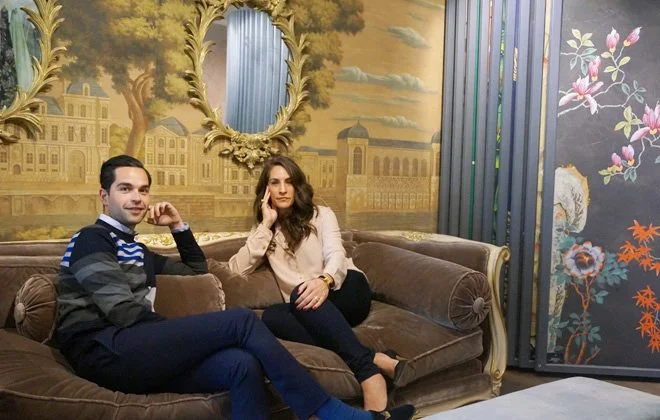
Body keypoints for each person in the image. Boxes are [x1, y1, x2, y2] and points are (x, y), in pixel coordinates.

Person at [55, 154, 411, 420]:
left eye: (143, 190)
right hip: (103, 349)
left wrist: (178, 227)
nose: (137, 197)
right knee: (241, 321)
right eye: (125, 189)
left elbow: (196, 269)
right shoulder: (92, 239)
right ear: (104, 196)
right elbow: (123, 313)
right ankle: (333, 413)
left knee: (242, 364)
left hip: (132, 350)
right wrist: (193, 335)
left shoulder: (137, 250)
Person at [229, 156, 410, 414]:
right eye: (275, 183)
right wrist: (266, 224)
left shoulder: (321, 215)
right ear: (266, 190)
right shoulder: (264, 230)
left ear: (298, 186)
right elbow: (237, 268)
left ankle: (369, 375)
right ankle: (374, 358)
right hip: (307, 306)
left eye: (289, 182)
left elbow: (336, 254)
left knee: (301, 294)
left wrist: (324, 281)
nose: (283, 189)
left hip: (344, 289)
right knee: (271, 316)